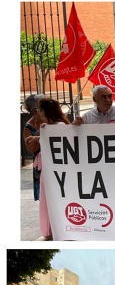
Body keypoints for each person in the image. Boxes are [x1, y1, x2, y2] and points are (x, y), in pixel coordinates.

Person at [36, 98, 71, 241]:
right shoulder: (51, 126)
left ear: (44, 111)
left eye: (40, 110)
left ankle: (54, 230)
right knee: (48, 199)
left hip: (57, 171)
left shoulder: (60, 125)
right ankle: (49, 230)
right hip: (51, 169)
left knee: (53, 199)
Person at [23, 93, 45, 202]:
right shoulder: (29, 126)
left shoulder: (52, 118)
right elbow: (30, 149)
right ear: (35, 110)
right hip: (41, 162)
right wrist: (40, 136)